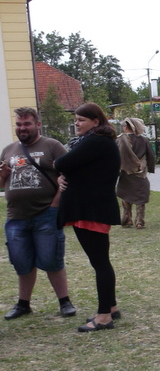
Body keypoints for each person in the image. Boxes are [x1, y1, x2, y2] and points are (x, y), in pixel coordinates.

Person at [1, 107, 76, 320]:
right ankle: (23, 304)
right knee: (21, 263)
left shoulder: (52, 146)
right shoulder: (8, 150)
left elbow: (69, 176)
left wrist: (55, 205)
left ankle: (65, 302)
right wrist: (3, 175)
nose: (22, 128)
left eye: (27, 124)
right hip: (16, 217)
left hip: (46, 214)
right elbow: (1, 184)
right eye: (19, 124)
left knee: (52, 259)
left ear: (38, 125)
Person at [55, 103, 121, 332]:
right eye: (75, 119)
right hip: (91, 209)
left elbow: (61, 162)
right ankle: (111, 307)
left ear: (96, 121)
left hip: (91, 211)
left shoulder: (96, 141)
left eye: (81, 119)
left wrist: (61, 170)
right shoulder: (98, 141)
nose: (76, 123)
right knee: (100, 261)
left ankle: (104, 317)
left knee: (100, 263)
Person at [116, 117, 155, 229]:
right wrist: (150, 168)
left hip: (125, 172)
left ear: (126, 127)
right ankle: (139, 221)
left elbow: (115, 156)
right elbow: (150, 155)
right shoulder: (143, 140)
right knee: (140, 197)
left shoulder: (119, 140)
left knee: (126, 195)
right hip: (140, 172)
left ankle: (127, 219)